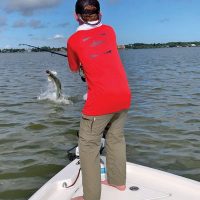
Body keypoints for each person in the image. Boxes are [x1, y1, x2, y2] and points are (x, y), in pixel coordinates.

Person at [67, 0, 131, 199]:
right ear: (100, 14)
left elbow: (73, 67)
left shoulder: (73, 40)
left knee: (87, 146)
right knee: (116, 138)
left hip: (100, 101)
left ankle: (91, 197)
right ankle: (118, 182)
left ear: (76, 16)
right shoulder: (110, 31)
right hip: (123, 95)